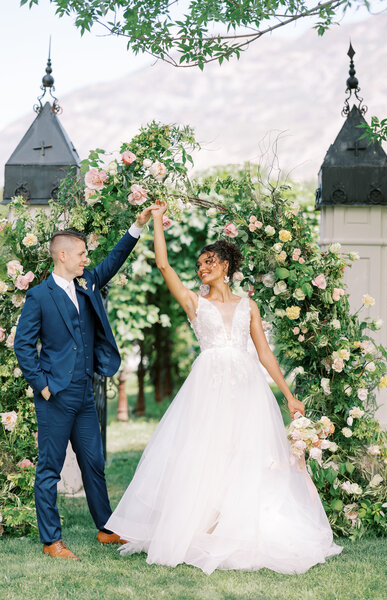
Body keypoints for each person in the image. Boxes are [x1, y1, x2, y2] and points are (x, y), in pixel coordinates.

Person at [106, 201, 343, 574]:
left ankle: (239, 523)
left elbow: (264, 353)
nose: (203, 267)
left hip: (248, 389)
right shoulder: (194, 302)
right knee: (206, 450)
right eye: (200, 264)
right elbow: (164, 265)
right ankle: (204, 523)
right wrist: (155, 221)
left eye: (210, 261)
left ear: (226, 267)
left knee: (244, 451)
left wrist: (289, 394)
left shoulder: (249, 306)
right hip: (208, 387)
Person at [14, 207, 154, 561]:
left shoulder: (88, 282)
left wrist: (137, 226)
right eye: (81, 253)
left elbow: (114, 260)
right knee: (49, 469)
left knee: (94, 461)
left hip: (85, 395)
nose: (86, 259)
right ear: (63, 255)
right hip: (55, 397)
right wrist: (42, 386)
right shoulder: (39, 296)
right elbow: (23, 345)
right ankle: (51, 541)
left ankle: (106, 527)